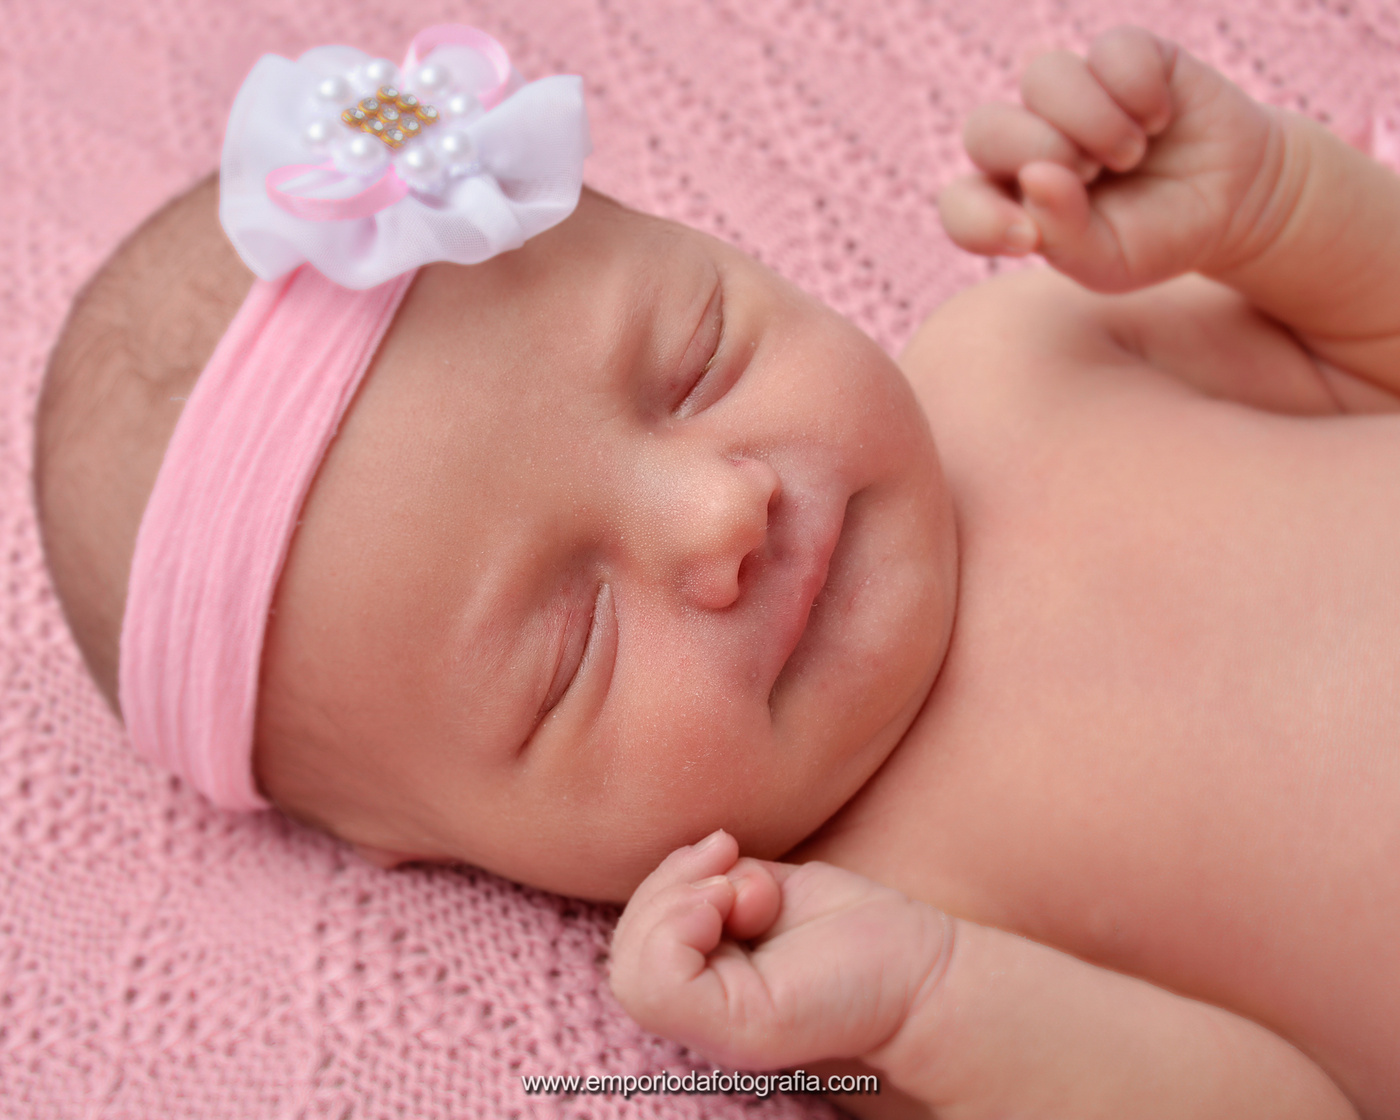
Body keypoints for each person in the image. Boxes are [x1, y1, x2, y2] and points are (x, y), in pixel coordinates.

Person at [34, 24, 1397, 1117]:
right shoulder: (864, 937)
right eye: (577, 643)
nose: (717, 514)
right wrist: (932, 997)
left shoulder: (1027, 352)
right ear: (452, 849)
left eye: (698, 363)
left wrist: (1273, 205)